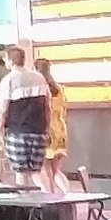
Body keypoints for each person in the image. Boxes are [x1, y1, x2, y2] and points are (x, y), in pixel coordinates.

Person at [0, 47, 51, 185]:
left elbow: (2, 109)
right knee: (37, 172)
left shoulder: (9, 80)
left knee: (20, 172)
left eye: (5, 58)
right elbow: (48, 106)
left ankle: (24, 202)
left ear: (10, 60)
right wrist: (47, 129)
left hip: (17, 133)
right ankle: (49, 199)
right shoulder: (39, 78)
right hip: (39, 132)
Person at [37, 57, 71, 193]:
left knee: (45, 168)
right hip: (61, 129)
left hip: (47, 130)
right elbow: (64, 109)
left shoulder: (41, 89)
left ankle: (51, 196)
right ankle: (67, 193)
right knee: (56, 170)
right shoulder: (59, 88)